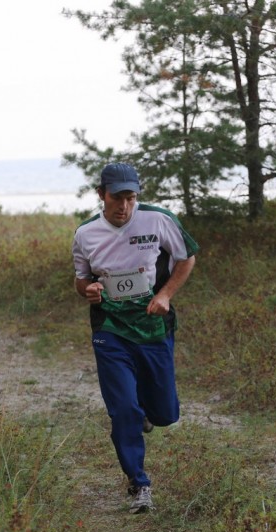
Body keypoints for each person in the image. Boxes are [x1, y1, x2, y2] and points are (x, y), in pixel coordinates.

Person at [72, 163, 199, 513]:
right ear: (101, 194)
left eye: (130, 198)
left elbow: (186, 258)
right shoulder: (85, 233)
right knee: (124, 409)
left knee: (165, 414)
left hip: (153, 324)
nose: (124, 206)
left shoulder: (158, 219)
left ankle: (147, 411)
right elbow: (81, 279)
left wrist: (166, 295)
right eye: (117, 198)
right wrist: (88, 290)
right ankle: (138, 482)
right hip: (110, 327)